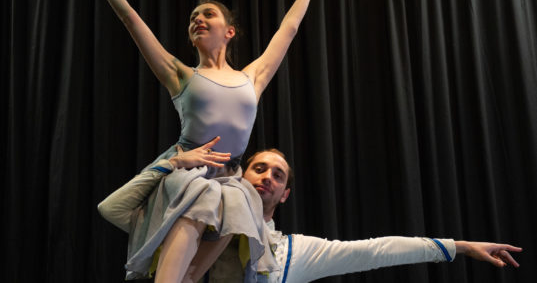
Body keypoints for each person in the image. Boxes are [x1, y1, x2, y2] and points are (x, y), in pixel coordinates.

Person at [78, 0, 321, 282]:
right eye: (193, 18)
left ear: (229, 31)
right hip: (191, 175)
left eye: (208, 15)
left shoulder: (251, 77)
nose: (198, 20)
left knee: (193, 274)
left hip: (232, 182)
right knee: (171, 273)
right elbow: (131, 20)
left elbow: (289, 29)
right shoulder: (182, 75)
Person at [99, 145, 522, 283]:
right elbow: (112, 208)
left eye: (277, 175)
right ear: (240, 176)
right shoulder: (186, 220)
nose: (266, 177)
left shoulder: (286, 256)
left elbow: (374, 251)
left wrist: (459, 246)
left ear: (284, 194)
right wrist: (171, 164)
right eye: (258, 168)